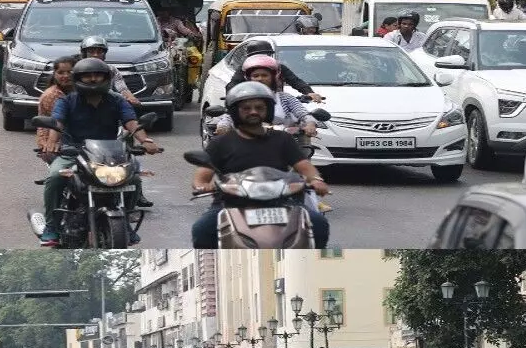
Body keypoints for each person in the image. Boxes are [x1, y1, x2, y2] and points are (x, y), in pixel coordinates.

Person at [191, 81, 330, 249]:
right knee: (202, 230)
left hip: (282, 202)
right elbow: (202, 176)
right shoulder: (221, 143)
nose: (253, 111)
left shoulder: (282, 139)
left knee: (319, 224)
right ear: (235, 111)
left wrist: (315, 180)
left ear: (268, 110)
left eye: (259, 107)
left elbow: (304, 166)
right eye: (246, 108)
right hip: (231, 203)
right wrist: (202, 186)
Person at [39, 56, 161, 246]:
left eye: (98, 75)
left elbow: (131, 122)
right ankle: (51, 226)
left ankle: (125, 222)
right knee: (55, 177)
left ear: (107, 78)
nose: (93, 79)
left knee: (134, 179)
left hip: (110, 153)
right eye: (88, 76)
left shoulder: (117, 100)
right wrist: (52, 143)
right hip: (74, 152)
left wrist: (146, 141)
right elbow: (57, 123)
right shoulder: (67, 101)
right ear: (78, 78)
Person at [224, 40, 324, 103]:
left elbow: (295, 81)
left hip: (278, 105)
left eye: (265, 75)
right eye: (256, 75)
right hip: (251, 103)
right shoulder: (245, 69)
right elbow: (233, 85)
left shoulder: (279, 67)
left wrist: (309, 92)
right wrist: (233, 96)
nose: (260, 78)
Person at [35, 56, 77, 162]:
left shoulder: (79, 90)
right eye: (61, 72)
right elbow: (59, 122)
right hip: (53, 143)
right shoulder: (52, 95)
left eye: (70, 72)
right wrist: (51, 144)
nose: (66, 76)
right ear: (54, 74)